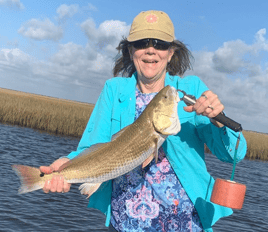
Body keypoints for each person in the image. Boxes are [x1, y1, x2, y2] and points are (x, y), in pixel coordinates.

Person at [40, 10, 247, 232]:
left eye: (159, 43)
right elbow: (92, 147)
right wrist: (64, 164)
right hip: (125, 223)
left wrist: (218, 121)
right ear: (130, 51)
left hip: (186, 224)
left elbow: (235, 154)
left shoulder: (193, 90)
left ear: (171, 52)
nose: (151, 49)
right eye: (142, 43)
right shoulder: (114, 90)